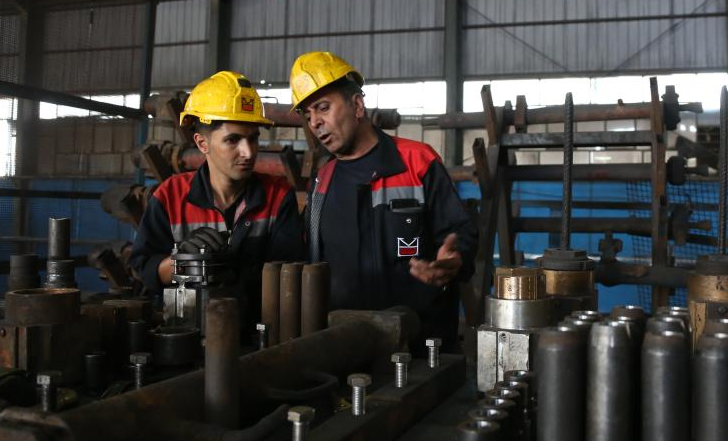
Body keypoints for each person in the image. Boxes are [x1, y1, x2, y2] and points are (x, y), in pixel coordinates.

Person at [290, 51, 477, 349]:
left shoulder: (417, 161)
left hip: (420, 347)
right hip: (344, 346)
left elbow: (461, 232)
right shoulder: (321, 180)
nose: (315, 122)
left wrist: (454, 259)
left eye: (323, 108)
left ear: (357, 105)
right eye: (307, 114)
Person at [130, 71, 304, 331]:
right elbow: (144, 268)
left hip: (260, 334)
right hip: (187, 333)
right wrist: (183, 261)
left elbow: (289, 275)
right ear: (202, 143)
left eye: (253, 138)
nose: (248, 152)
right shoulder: (169, 196)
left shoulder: (277, 196)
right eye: (233, 140)